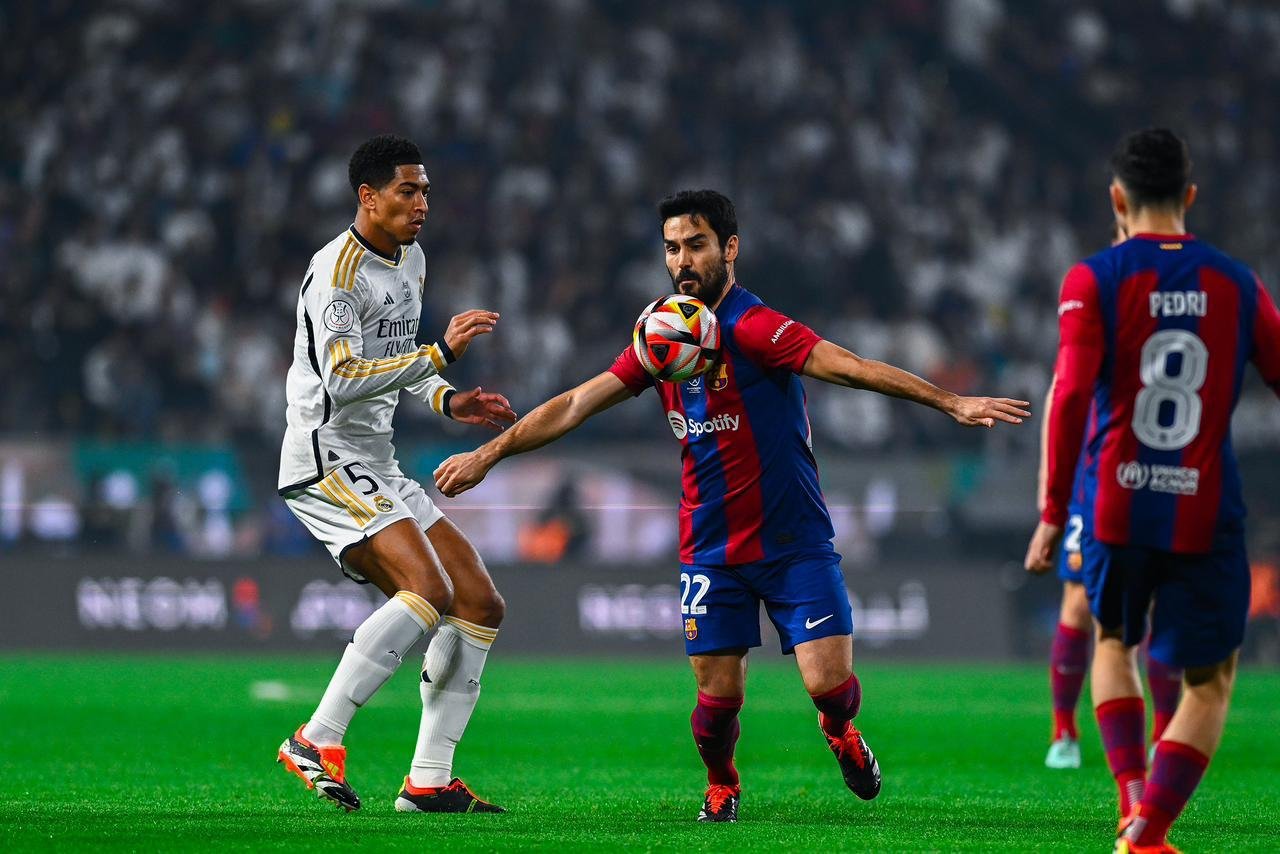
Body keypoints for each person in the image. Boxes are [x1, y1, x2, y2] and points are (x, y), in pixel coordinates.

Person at [434, 189, 1030, 822]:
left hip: (793, 540)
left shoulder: (756, 327)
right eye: (672, 248)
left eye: (696, 245)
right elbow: (577, 402)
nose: (682, 261)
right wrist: (490, 453)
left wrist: (951, 402)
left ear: (730, 248)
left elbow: (851, 367)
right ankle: (723, 784)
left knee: (830, 688)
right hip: (711, 547)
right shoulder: (662, 337)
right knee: (715, 704)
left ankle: (838, 729)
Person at [1025, 128, 1280, 853]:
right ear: (1189, 195)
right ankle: (1149, 834)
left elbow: (1070, 395)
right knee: (1210, 679)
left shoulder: (1093, 279)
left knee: (1114, 641)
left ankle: (1130, 799)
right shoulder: (1237, 282)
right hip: (1205, 506)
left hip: (1115, 501)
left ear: (1117, 199)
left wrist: (1052, 512)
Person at [275, 135, 517, 813]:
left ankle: (428, 781)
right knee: (427, 589)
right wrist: (439, 356)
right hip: (325, 459)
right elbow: (344, 377)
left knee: (479, 603)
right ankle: (316, 737)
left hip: (377, 460)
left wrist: (446, 398)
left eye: (425, 191)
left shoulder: (411, 259)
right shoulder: (338, 273)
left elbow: (395, 360)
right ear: (368, 196)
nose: (422, 204)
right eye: (407, 191)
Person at [1037, 224, 1183, 771]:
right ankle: (1064, 731)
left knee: (1155, 604)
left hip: (1160, 472)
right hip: (1093, 477)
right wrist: (1048, 480)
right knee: (1079, 601)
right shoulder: (1096, 301)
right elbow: (1063, 392)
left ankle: (1164, 733)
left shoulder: (1177, 311)